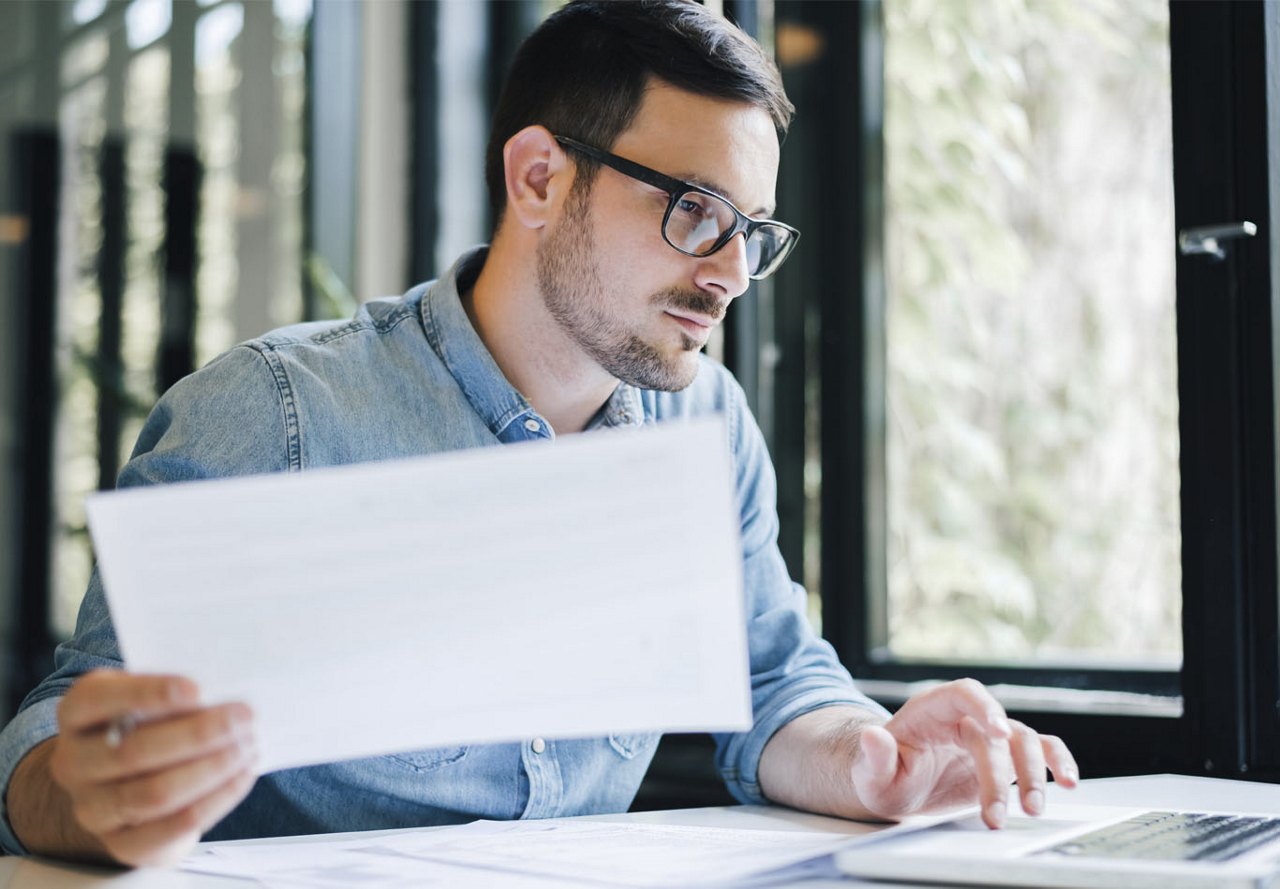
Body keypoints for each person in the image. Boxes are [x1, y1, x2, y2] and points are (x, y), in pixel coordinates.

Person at [0, 0, 1078, 869]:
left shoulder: (702, 420)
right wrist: (88, 793)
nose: (729, 274)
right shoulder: (277, 413)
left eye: (752, 233)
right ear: (538, 176)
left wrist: (871, 756)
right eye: (696, 210)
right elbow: (55, 742)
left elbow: (768, 681)